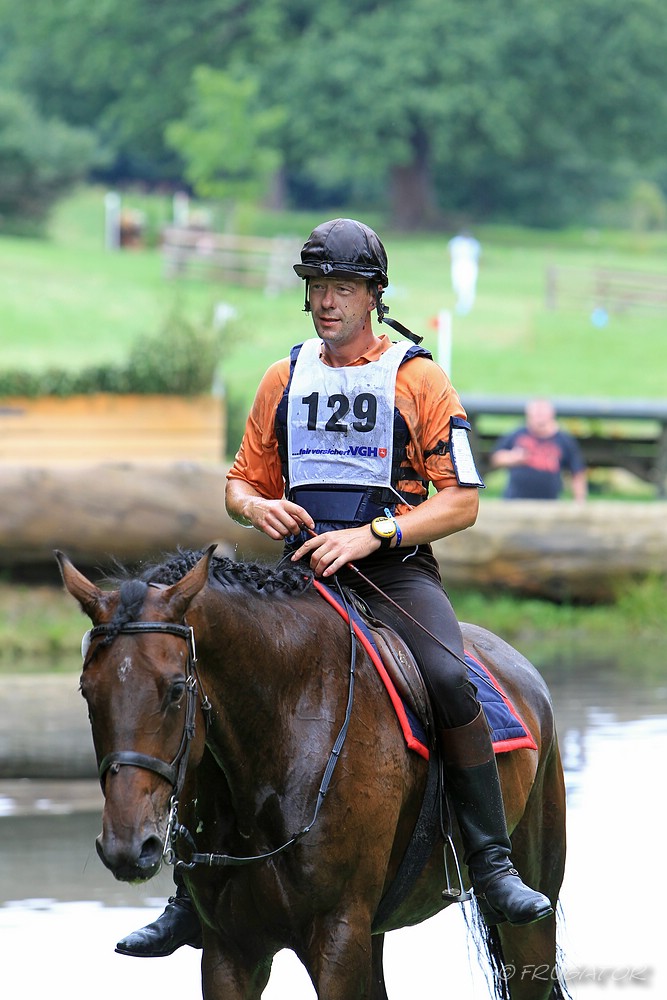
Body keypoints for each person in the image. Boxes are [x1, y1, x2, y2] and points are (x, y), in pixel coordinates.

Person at [116, 218, 552, 958]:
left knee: (448, 677)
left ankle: (490, 863)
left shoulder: (418, 378)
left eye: (342, 289)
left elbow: (461, 501)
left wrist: (374, 534)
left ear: (373, 297)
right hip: (298, 577)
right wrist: (256, 506)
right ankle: (191, 890)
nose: (326, 302)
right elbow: (238, 483)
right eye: (317, 288)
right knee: (205, 695)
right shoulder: (282, 376)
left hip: (392, 574)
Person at [491, 398, 588, 501]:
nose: (539, 419)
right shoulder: (517, 434)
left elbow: (577, 473)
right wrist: (513, 457)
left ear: (551, 415)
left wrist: (579, 501)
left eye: (542, 415)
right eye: (535, 415)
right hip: (515, 501)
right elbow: (496, 458)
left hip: (549, 504)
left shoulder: (564, 440)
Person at [448, 229, 481, 315]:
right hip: (458, 264)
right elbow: (451, 254)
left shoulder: (474, 244)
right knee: (457, 285)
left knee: (468, 285)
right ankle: (459, 302)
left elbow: (477, 257)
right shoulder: (455, 242)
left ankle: (466, 304)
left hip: (469, 265)